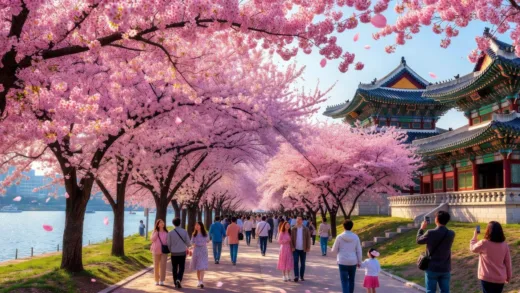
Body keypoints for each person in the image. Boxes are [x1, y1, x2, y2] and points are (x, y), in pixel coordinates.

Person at [417, 211, 456, 293]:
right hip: (445, 268)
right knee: (445, 291)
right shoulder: (451, 233)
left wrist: (421, 229)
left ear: (437, 219)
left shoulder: (430, 233)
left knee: (430, 291)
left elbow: (418, 240)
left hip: (432, 268)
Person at [470, 221, 512, 293]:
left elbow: (472, 249)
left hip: (486, 277)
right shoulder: (505, 245)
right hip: (500, 278)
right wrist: (509, 276)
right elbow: (508, 263)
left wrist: (475, 236)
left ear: (488, 231)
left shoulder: (484, 243)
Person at [332, 219, 362, 293]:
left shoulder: (339, 237)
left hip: (342, 261)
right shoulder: (356, 237)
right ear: (352, 227)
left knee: (344, 281)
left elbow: (334, 250)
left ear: (343, 226)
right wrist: (359, 261)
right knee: (352, 280)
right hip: (353, 261)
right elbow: (359, 250)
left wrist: (338, 252)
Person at [167, 217, 191, 289]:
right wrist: (188, 246)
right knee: (181, 267)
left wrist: (171, 250)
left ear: (173, 223)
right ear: (180, 223)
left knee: (174, 267)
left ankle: (175, 282)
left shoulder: (170, 233)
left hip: (174, 253)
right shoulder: (184, 231)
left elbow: (168, 243)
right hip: (182, 253)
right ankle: (179, 279)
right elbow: (188, 243)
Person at [290, 216, 311, 282]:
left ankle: (302, 276)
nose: (298, 221)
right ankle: (296, 276)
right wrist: (292, 247)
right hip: (295, 249)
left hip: (303, 249)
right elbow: (291, 239)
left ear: (302, 221)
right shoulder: (293, 229)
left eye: (300, 220)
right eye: (297, 220)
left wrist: (308, 247)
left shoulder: (306, 229)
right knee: (295, 262)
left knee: (303, 263)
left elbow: (308, 239)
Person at [190, 222, 209, 288]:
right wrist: (193, 244)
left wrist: (203, 241)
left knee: (202, 266)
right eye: (196, 225)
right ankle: (199, 281)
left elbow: (208, 240)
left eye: (198, 225)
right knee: (198, 267)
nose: (197, 226)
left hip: (203, 250)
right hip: (196, 251)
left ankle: (201, 281)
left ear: (201, 226)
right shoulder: (194, 234)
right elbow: (191, 242)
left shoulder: (205, 233)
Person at [150, 219, 168, 286]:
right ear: (158, 225)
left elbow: (168, 241)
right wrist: (156, 233)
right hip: (155, 251)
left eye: (163, 222)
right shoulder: (155, 231)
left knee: (163, 265)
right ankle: (156, 280)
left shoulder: (166, 232)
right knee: (156, 265)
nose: (162, 223)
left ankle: (162, 280)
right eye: (160, 223)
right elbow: (152, 239)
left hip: (164, 251)